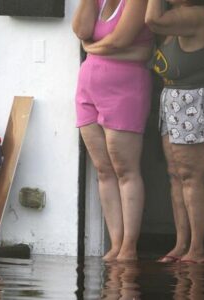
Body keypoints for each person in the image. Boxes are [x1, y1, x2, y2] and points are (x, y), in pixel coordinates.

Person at [72, 0, 154, 262]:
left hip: (125, 89)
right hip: (88, 87)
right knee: (103, 170)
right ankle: (116, 243)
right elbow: (81, 30)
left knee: (125, 169)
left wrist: (92, 49)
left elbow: (120, 39)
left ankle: (129, 246)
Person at [145, 0, 204, 264]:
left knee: (190, 175)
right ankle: (181, 244)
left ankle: (197, 249)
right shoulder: (175, 18)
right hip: (172, 101)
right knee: (175, 175)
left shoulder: (198, 15)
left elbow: (151, 20)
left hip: (193, 101)